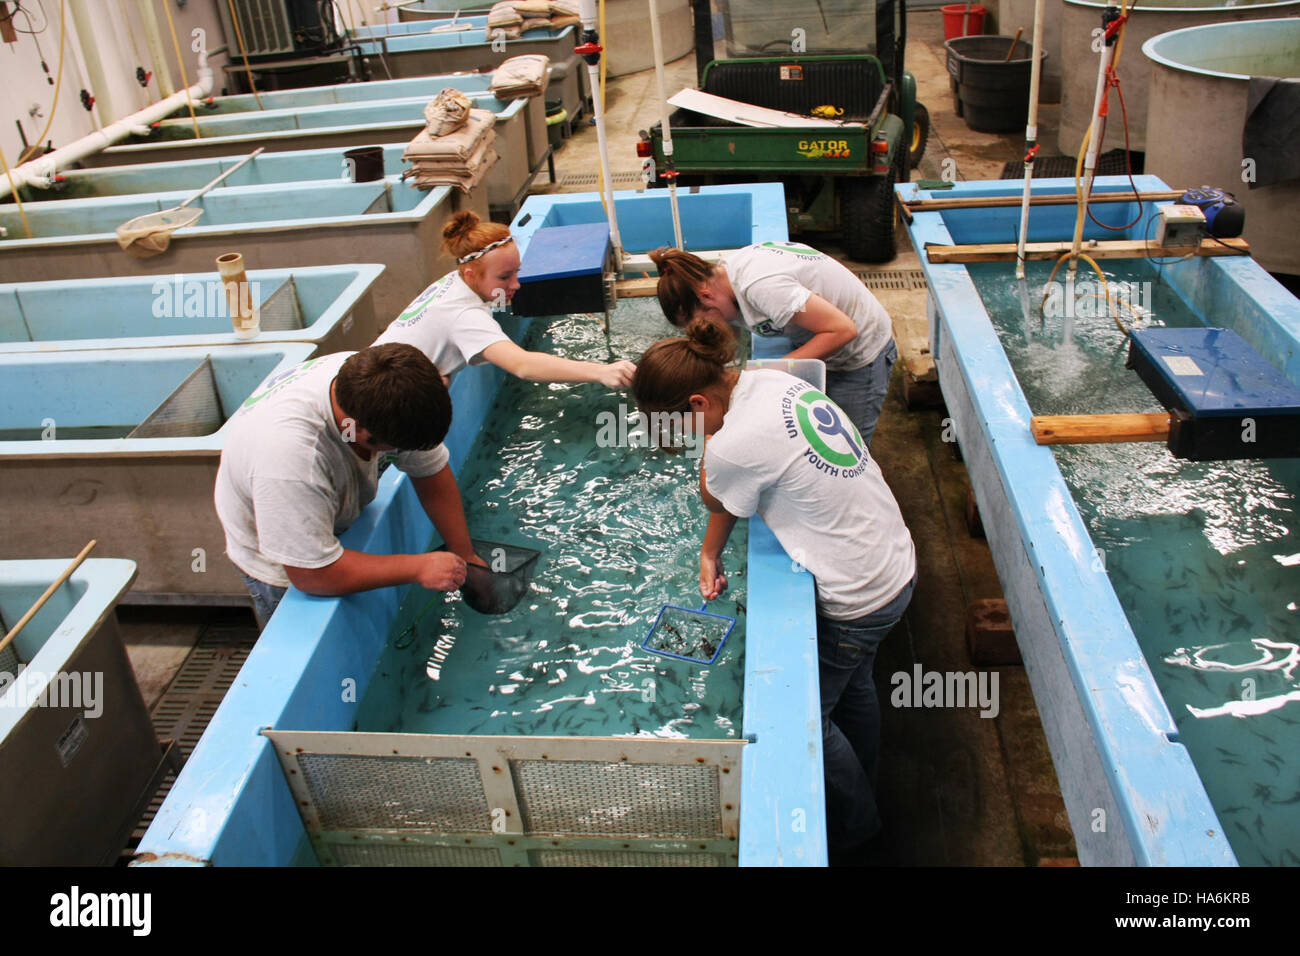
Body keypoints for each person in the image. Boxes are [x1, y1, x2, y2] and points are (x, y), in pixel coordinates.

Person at [632, 318, 917, 858]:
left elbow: (717, 492)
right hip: (894, 564)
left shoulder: (729, 445)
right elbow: (739, 493)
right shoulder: (771, 382)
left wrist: (711, 445)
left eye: (680, 426)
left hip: (857, 598)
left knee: (813, 720)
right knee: (855, 685)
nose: (687, 438)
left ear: (697, 403)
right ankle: (868, 779)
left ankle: (859, 827)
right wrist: (709, 552)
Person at [214, 343, 480, 630]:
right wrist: (419, 567)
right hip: (278, 549)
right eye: (397, 448)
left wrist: (464, 552)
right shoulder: (292, 460)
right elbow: (311, 574)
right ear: (363, 433)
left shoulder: (382, 385)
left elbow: (431, 473)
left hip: (313, 496)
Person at [650, 241, 898, 447]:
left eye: (701, 322)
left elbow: (843, 330)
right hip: (826, 347)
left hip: (861, 354)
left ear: (705, 296)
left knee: (844, 449)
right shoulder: (724, 277)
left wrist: (768, 372)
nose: (704, 329)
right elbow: (730, 330)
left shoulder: (761, 285)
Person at [375, 210, 637, 388]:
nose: (516, 284)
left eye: (517, 271)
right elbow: (522, 365)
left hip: (365, 369)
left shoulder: (452, 281)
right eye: (504, 277)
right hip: (374, 396)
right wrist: (601, 372)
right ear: (470, 273)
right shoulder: (464, 316)